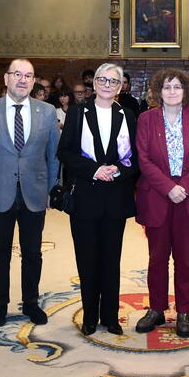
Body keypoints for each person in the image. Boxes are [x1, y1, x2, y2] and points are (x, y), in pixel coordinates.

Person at [0, 58, 59, 328]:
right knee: (0, 253)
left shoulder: (47, 110)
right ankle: (0, 305)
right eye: (17, 74)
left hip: (35, 193)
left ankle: (31, 303)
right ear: (6, 79)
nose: (22, 80)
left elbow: (53, 156)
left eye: (28, 76)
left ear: (34, 82)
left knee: (33, 253)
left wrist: (51, 189)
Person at [57, 63, 138, 336]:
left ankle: (110, 317)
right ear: (95, 83)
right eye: (102, 79)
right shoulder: (79, 112)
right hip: (86, 197)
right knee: (88, 259)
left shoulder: (128, 114)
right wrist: (94, 169)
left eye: (113, 81)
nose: (107, 84)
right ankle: (90, 316)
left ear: (120, 86)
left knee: (111, 259)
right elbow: (65, 153)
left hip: (115, 196)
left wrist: (119, 170)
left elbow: (137, 159)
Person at [134, 68, 189, 338]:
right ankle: (156, 309)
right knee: (157, 258)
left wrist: (184, 187)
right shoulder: (146, 119)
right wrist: (169, 188)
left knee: (185, 260)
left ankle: (184, 311)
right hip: (157, 195)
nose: (172, 92)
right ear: (158, 92)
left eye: (177, 87)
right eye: (167, 87)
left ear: (185, 90)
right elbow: (143, 158)